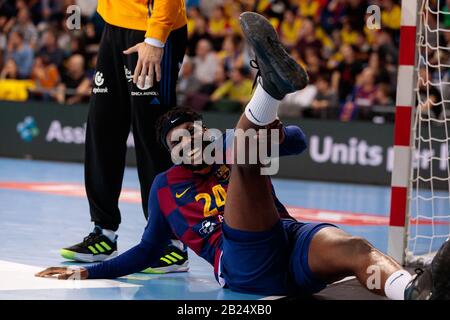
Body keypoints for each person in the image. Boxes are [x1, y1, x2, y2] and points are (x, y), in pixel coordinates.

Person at [37, 12, 450, 300]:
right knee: (245, 158)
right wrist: (88, 272)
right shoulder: (165, 187)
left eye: (194, 135)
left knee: (358, 249)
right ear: (170, 153)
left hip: (287, 239)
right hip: (241, 262)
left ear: (203, 133)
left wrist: (260, 136)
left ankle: (414, 292)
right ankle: (269, 88)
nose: (190, 144)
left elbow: (297, 140)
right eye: (178, 143)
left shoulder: (224, 149)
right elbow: (147, 251)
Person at [60, 0, 189, 274]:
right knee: (102, 128)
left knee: (153, 137)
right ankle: (104, 232)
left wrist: (156, 38)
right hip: (115, 23)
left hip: (151, 31)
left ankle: (171, 243)